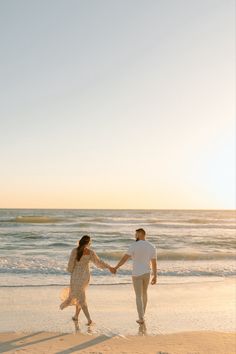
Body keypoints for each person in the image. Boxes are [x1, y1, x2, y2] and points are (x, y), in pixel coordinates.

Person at [60, 235, 115, 325]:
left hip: (76, 276)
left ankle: (89, 320)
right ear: (89, 243)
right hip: (85, 276)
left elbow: (70, 266)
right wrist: (109, 267)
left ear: (80, 241)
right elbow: (99, 263)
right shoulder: (90, 252)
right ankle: (76, 316)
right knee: (80, 295)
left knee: (81, 297)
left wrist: (70, 271)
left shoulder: (74, 251)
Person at [114, 228, 157, 324]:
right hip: (147, 273)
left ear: (141, 234)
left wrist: (116, 267)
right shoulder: (151, 246)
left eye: (136, 234)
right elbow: (154, 262)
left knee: (138, 296)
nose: (135, 236)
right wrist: (155, 275)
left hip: (136, 273)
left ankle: (141, 318)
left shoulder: (134, 245)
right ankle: (142, 315)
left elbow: (125, 258)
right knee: (144, 293)